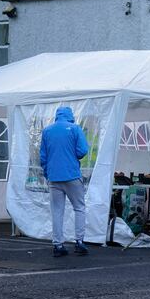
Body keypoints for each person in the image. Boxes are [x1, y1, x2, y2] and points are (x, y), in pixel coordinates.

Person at [39, 106, 90, 257]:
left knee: (57, 211)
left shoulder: (47, 131)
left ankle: (58, 245)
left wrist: (48, 173)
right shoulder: (75, 128)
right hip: (72, 175)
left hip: (54, 177)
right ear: (70, 115)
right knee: (79, 208)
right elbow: (82, 151)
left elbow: (43, 157)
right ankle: (79, 242)